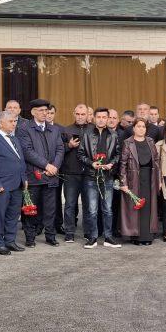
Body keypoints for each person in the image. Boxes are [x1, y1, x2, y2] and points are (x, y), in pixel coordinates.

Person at [20, 99, 64, 247]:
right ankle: (30, 237)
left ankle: (50, 236)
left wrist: (55, 166)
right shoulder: (25, 128)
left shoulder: (54, 129)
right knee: (31, 209)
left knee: (50, 209)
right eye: (41, 110)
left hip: (51, 176)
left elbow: (60, 149)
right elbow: (27, 151)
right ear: (33, 112)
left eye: (46, 110)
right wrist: (46, 165)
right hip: (34, 176)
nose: (45, 113)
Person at [0, 111, 27, 255]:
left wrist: (24, 178)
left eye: (15, 121)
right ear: (1, 123)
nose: (14, 124)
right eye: (11, 121)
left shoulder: (14, 139)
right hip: (2, 186)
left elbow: (21, 160)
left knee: (13, 215)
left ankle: (10, 241)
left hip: (17, 184)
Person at [77, 108, 121, 249]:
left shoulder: (114, 135)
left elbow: (118, 154)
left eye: (104, 117)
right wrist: (91, 163)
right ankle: (93, 238)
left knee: (108, 209)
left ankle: (108, 237)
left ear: (108, 119)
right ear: (94, 118)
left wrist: (111, 164)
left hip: (107, 177)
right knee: (92, 210)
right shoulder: (87, 134)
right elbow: (80, 154)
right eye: (99, 117)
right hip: (91, 176)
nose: (101, 119)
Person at [119, 119, 161, 245]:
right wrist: (123, 183)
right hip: (133, 178)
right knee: (135, 207)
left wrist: (159, 180)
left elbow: (156, 161)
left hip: (150, 178)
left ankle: (147, 236)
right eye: (138, 126)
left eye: (143, 126)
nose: (141, 129)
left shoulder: (150, 141)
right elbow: (123, 164)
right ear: (134, 128)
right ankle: (136, 237)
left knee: (148, 206)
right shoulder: (128, 142)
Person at [61, 104, 91, 244]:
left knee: (88, 204)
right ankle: (69, 233)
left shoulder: (93, 129)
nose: (80, 117)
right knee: (70, 204)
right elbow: (59, 150)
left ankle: (88, 232)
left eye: (83, 114)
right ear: (74, 114)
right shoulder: (66, 130)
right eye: (77, 114)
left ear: (87, 115)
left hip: (89, 173)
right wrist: (69, 146)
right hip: (71, 173)